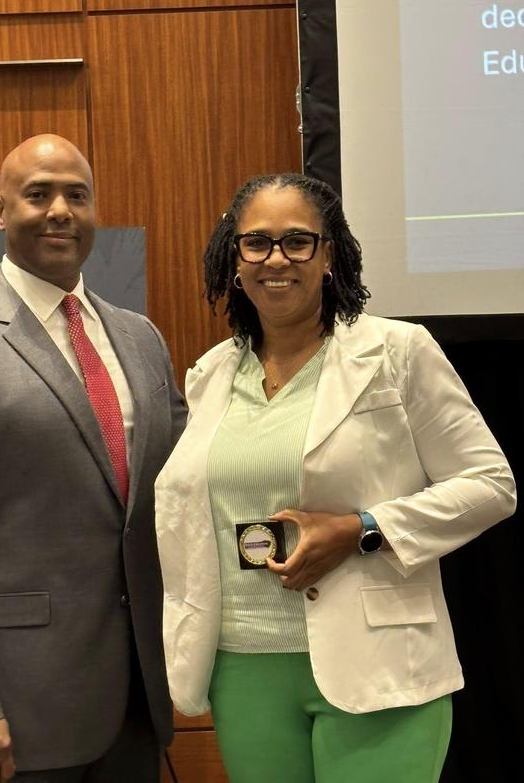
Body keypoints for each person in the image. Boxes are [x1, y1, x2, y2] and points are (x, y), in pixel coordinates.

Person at [154, 173, 517, 783]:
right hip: (243, 667)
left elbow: (490, 483)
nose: (277, 259)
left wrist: (362, 528)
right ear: (233, 257)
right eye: (257, 243)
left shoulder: (399, 352)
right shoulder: (211, 374)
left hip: (377, 660)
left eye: (298, 241)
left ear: (329, 255)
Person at [0, 134, 186, 782]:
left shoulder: (141, 338)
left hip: (135, 698)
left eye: (77, 194)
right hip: (16, 717)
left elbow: (183, 486)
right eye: (37, 194)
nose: (60, 210)